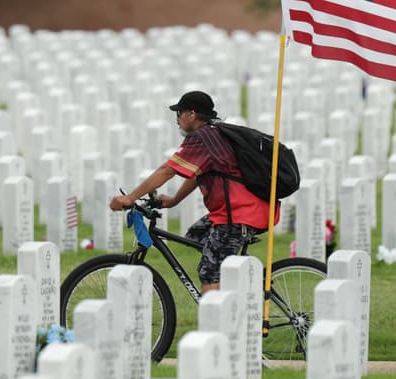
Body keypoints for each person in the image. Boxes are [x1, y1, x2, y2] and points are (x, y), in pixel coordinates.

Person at [109, 90, 276, 294]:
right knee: (196, 235)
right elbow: (196, 173)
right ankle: (237, 280)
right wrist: (173, 201)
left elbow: (167, 170)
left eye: (179, 113)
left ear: (192, 114)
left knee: (209, 270)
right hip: (237, 211)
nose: (177, 120)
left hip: (239, 214)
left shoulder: (202, 137)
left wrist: (130, 198)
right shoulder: (213, 133)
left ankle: (221, 316)